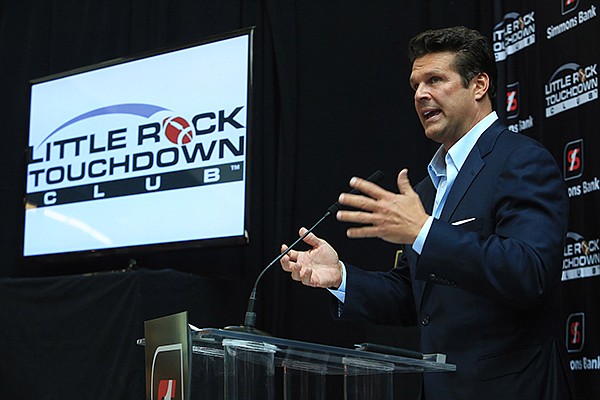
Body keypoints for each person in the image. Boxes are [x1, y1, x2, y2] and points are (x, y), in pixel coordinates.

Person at [280, 26, 574, 400]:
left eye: (435, 79)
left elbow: (529, 273)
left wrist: (424, 230)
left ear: (479, 85)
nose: (421, 94)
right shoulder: (429, 185)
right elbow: (413, 296)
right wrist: (340, 278)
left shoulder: (521, 160)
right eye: (415, 85)